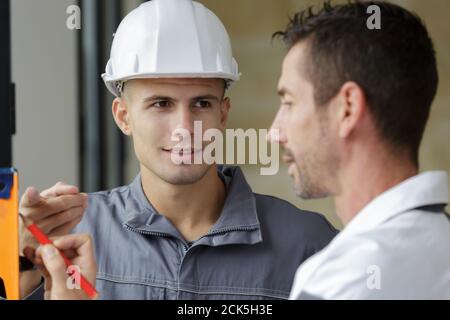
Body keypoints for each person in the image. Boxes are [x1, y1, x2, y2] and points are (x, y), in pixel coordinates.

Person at [19, 0, 337, 300]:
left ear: (222, 114)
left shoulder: (308, 246)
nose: (185, 128)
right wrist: (17, 264)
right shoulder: (68, 241)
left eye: (201, 103)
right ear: (123, 116)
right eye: (161, 104)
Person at [268, 1, 450, 299]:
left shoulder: (341, 282)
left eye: (289, 102)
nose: (274, 132)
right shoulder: (440, 245)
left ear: (348, 109)